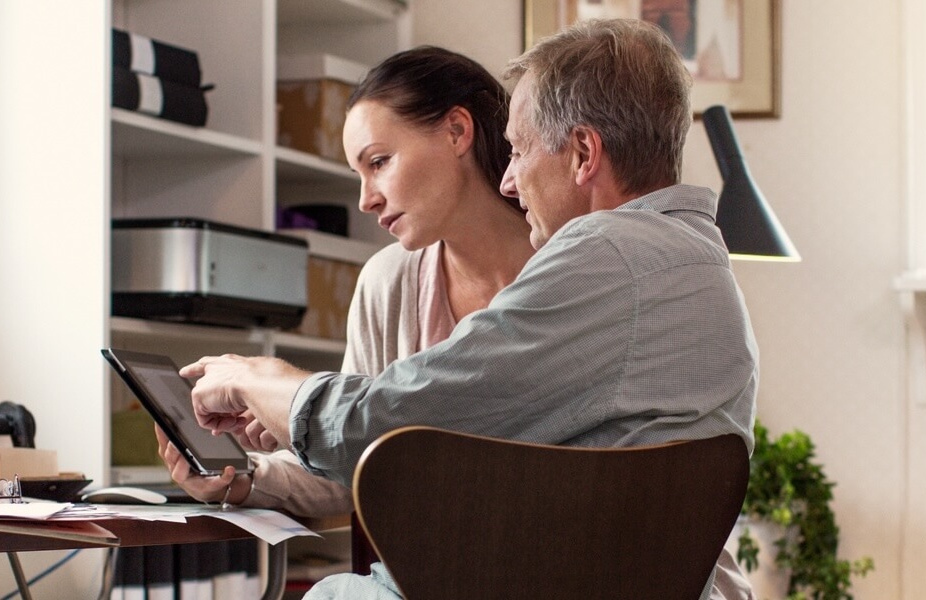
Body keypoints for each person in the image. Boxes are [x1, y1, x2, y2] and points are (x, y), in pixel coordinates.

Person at [178, 19, 759, 599]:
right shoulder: (701, 262)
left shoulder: (601, 254)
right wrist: (262, 457)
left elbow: (379, 428)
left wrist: (259, 378)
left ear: (583, 153)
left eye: (520, 150)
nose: (509, 179)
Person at [152, 46, 534, 519]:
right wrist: (243, 477)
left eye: (379, 162)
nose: (365, 200)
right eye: (358, 174)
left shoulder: (579, 267)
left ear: (456, 131)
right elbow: (355, 461)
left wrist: (271, 385)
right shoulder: (388, 280)